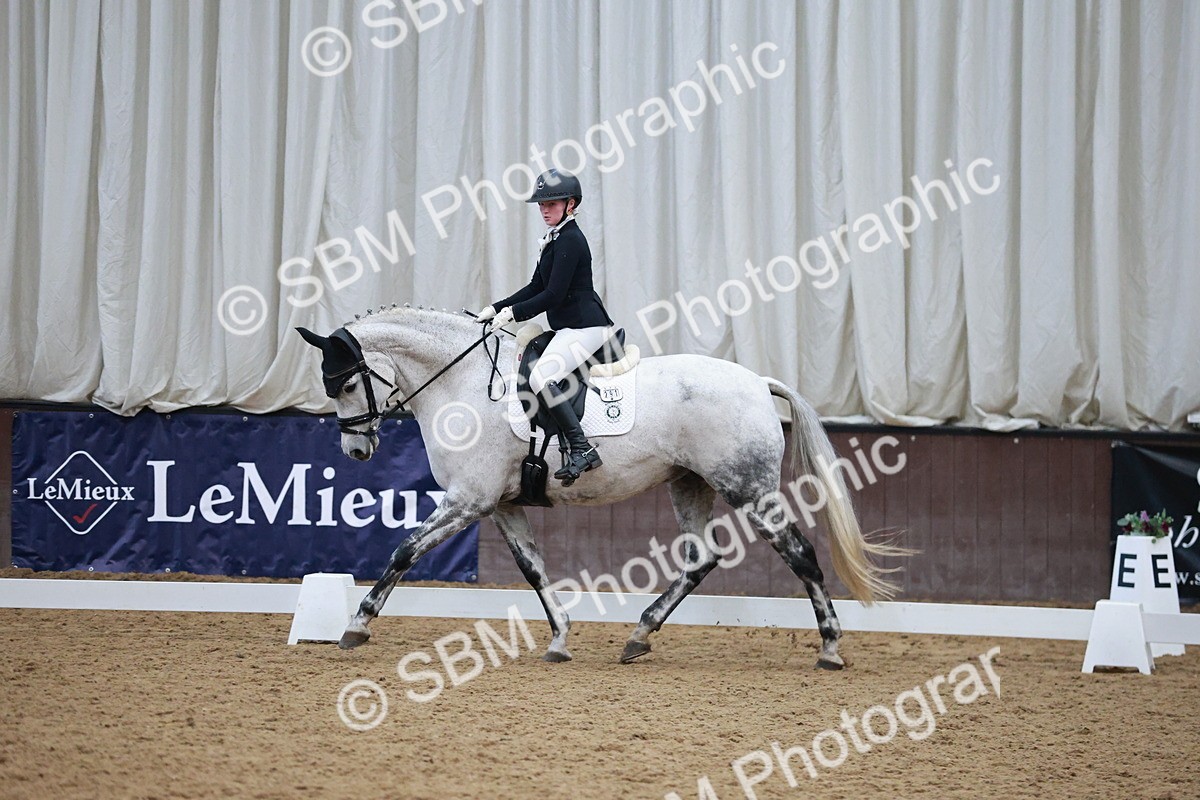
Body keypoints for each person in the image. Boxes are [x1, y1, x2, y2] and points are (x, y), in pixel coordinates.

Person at [477, 169, 616, 484]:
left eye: (551, 203)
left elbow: (553, 295)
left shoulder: (571, 239)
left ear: (570, 204)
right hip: (569, 328)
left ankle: (581, 448)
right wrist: (496, 307)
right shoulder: (555, 239)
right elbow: (535, 286)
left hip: (586, 328)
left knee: (542, 376)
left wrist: (513, 314)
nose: (544, 209)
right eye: (541, 204)